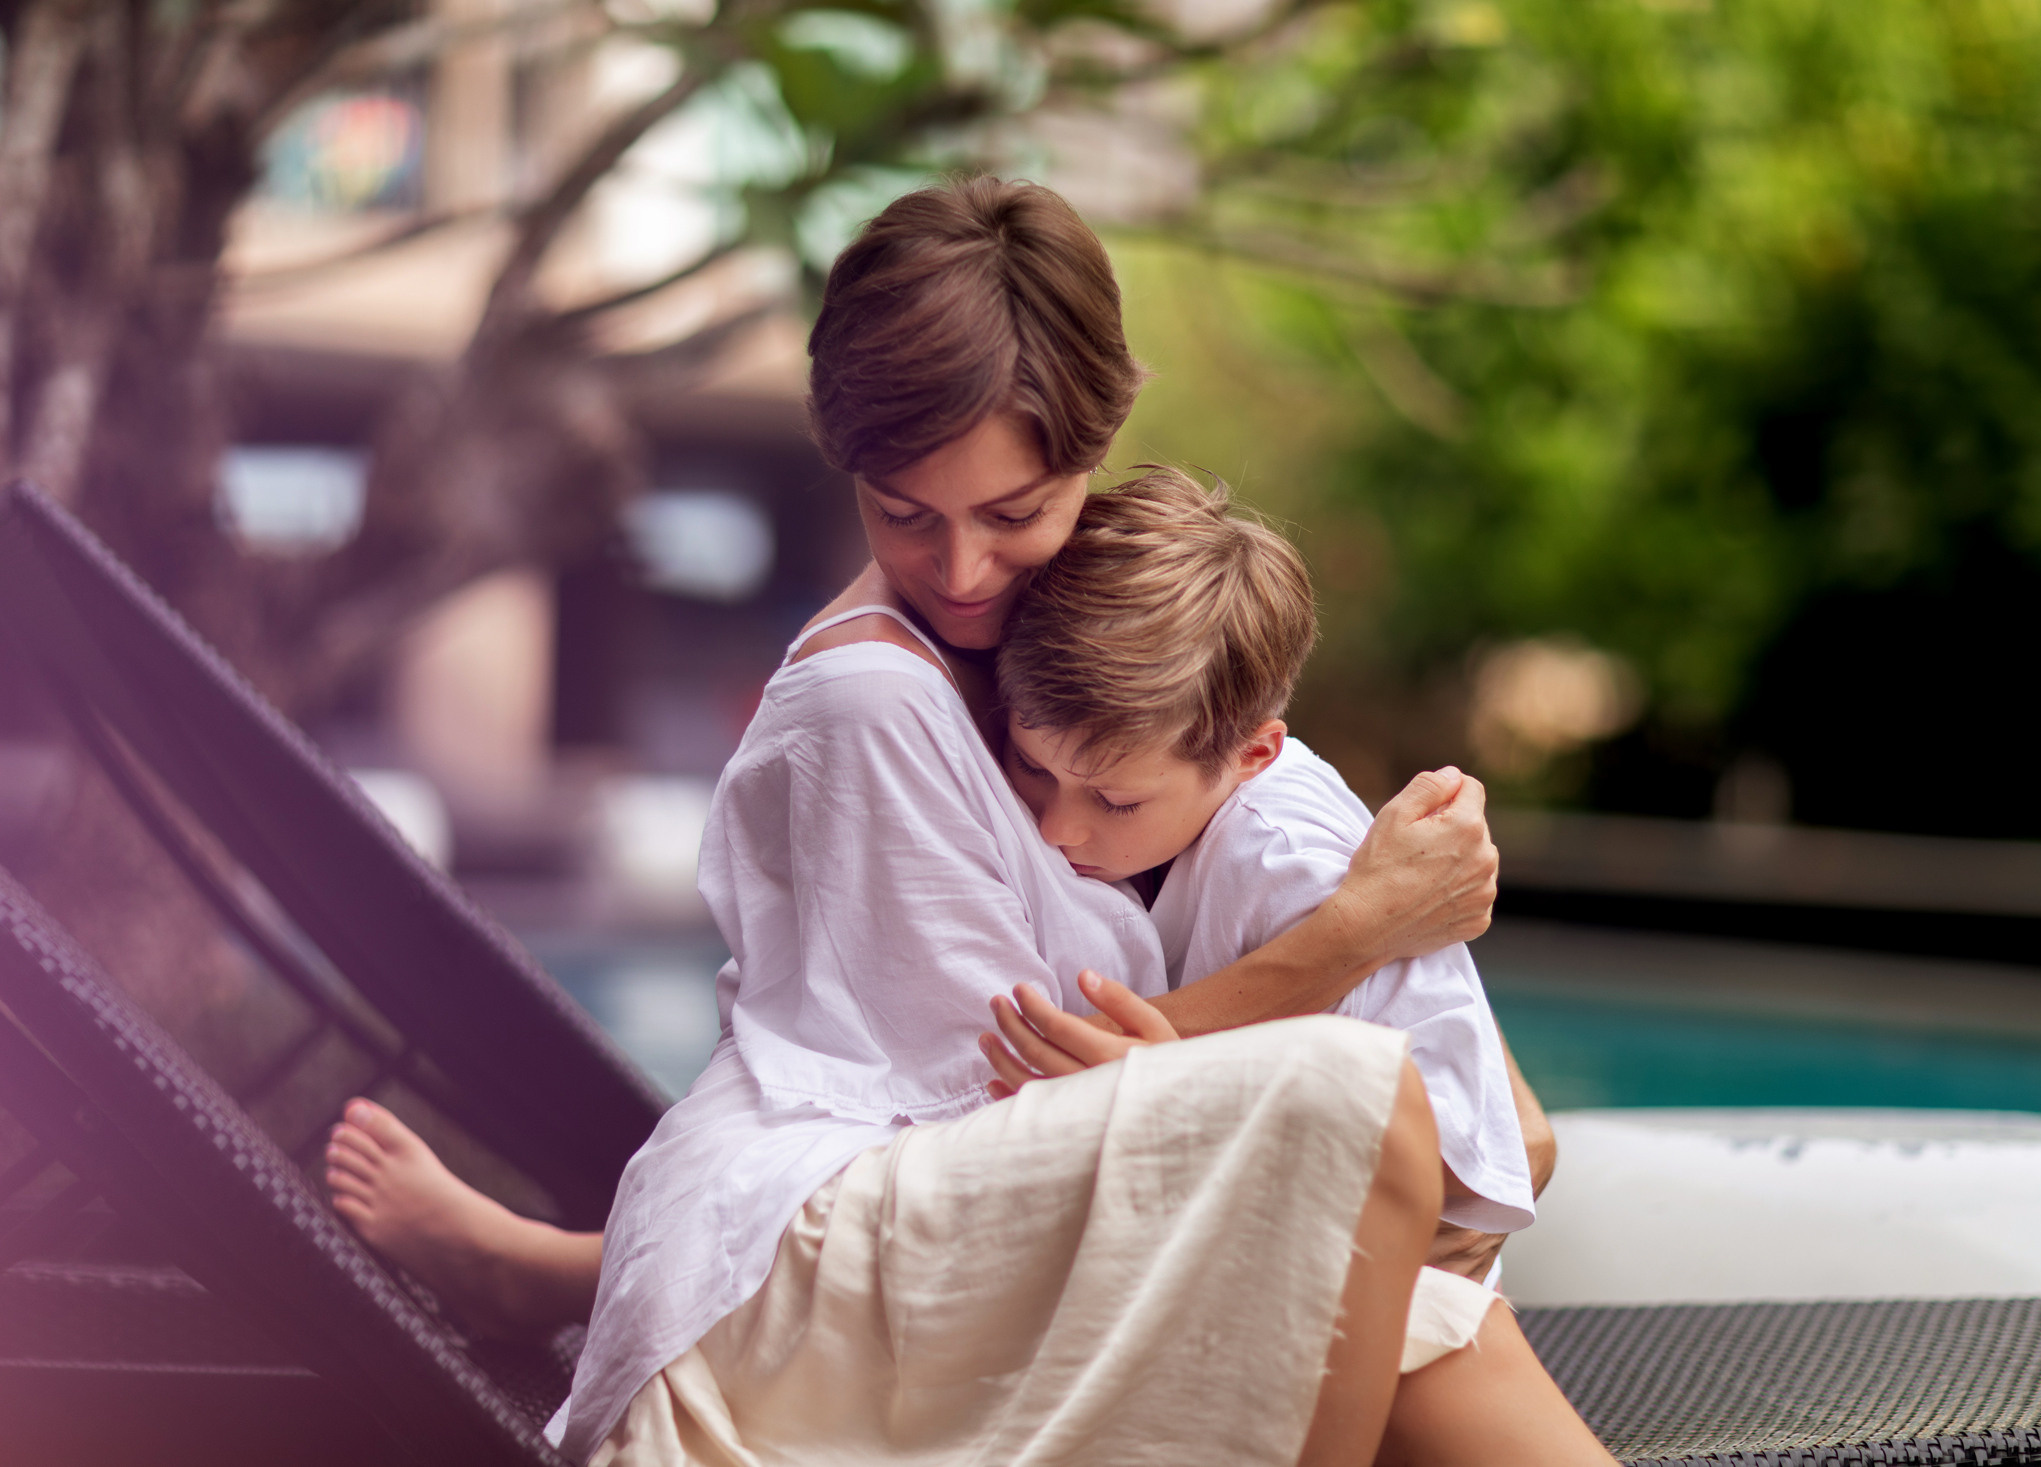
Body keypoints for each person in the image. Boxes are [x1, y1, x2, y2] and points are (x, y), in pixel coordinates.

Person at [327, 176, 1599, 1467]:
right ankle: (574, 1272)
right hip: (855, 1250)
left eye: (1014, 513)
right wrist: (1356, 930)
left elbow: (1508, 1123)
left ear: (1095, 452)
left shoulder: (1097, 647)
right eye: (903, 514)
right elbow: (1006, 1101)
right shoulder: (871, 705)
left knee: (1412, 1267)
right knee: (1352, 1115)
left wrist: (1402, 952)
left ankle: (559, 1270)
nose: (962, 571)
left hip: (965, 1218)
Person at [982, 467, 1534, 1257]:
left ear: (1252, 754)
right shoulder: (1164, 792)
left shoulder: (1286, 860)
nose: (1055, 828)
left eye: (1115, 801)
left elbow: (1459, 1165)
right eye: (1031, 767)